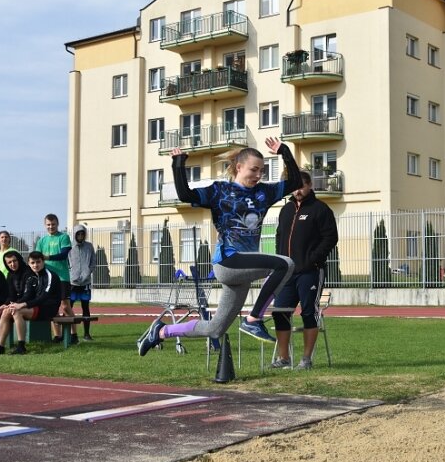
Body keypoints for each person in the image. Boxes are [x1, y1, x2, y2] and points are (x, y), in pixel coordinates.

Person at [137, 136, 302, 356]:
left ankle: (161, 332)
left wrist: (284, 151)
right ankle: (253, 319)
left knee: (215, 329)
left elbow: (296, 182)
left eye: (262, 171)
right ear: (239, 166)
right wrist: (179, 164)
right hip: (228, 261)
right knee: (285, 264)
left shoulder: (265, 193)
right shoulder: (219, 191)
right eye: (254, 170)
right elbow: (185, 195)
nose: (258, 175)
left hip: (243, 269)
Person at [271, 171, 338, 370]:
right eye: (294, 187)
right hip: (287, 273)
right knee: (280, 312)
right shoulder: (286, 210)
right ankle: (284, 358)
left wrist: (312, 260)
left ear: (309, 186)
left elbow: (330, 238)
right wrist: (280, 261)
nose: (298, 191)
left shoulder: (320, 209)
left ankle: (306, 359)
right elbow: (279, 237)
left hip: (310, 272)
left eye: (301, 186)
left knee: (308, 313)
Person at [0, 251, 62, 355]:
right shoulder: (32, 277)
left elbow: (43, 298)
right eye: (33, 263)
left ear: (43, 262)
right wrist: (7, 305)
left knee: (17, 311)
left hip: (48, 309)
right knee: (7, 311)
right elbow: (26, 296)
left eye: (38, 262)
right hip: (36, 307)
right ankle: (0, 346)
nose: (35, 265)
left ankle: (21, 346)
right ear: (29, 263)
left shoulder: (50, 275)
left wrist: (22, 305)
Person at [36, 213, 77, 344]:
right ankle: (58, 336)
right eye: (48, 224)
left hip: (62, 277)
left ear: (57, 224)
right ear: (45, 225)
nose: (51, 227)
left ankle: (74, 334)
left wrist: (48, 257)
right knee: (51, 307)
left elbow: (64, 255)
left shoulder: (64, 237)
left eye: (53, 224)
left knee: (65, 306)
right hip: (47, 278)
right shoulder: (41, 241)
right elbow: (37, 257)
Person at [68, 224, 96, 341]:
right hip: (72, 283)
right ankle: (70, 333)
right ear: (74, 235)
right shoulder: (69, 247)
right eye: (78, 234)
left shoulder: (89, 247)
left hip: (85, 283)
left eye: (82, 233)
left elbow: (93, 263)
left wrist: (86, 274)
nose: (80, 236)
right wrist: (71, 275)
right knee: (69, 307)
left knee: (86, 307)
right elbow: (66, 263)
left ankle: (86, 333)